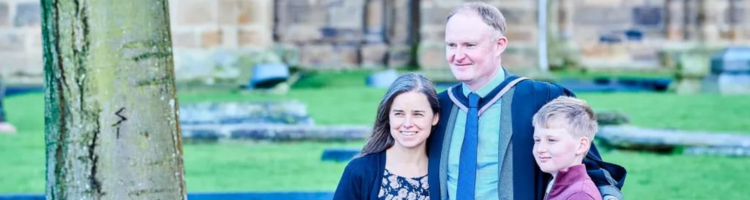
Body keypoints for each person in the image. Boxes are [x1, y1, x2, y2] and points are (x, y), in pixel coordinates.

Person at [427, 2, 626, 200]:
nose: (458, 55)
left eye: (470, 45)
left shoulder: (542, 98)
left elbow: (583, 162)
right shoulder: (437, 108)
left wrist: (609, 196)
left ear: (499, 45)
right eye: (451, 45)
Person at [334, 73, 440, 200]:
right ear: (388, 117)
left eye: (417, 114)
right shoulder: (359, 170)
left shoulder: (446, 174)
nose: (407, 124)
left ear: (435, 117)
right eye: (399, 114)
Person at [533, 96, 602, 200]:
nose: (540, 149)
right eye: (537, 140)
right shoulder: (555, 185)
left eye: (551, 140)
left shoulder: (580, 195)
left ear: (581, 145)